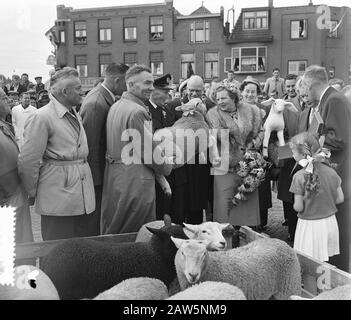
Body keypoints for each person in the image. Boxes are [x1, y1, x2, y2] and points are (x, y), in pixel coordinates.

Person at [18, 67, 95, 241]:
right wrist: (34, 192)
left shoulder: (73, 112)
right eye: (77, 88)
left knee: (79, 251)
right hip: (57, 198)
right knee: (56, 252)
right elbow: (28, 160)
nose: (81, 91)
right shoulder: (42, 117)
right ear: (64, 92)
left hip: (80, 196)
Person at [100, 65, 173, 234]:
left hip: (115, 177)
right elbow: (150, 153)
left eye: (152, 83)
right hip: (135, 181)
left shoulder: (117, 106)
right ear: (131, 85)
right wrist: (167, 167)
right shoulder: (138, 111)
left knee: (116, 231)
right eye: (147, 83)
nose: (152, 88)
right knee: (137, 234)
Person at [300, 65, 351, 272]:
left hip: (338, 180)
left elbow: (338, 140)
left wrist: (307, 144)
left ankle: (340, 283)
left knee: (338, 235)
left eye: (304, 87)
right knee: (331, 235)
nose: (303, 93)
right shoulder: (328, 100)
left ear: (310, 85)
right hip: (331, 179)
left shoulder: (335, 100)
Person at [206, 85, 264, 240]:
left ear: (234, 97)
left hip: (248, 165)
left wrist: (255, 143)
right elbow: (217, 137)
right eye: (217, 99)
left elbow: (261, 131)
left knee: (246, 204)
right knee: (223, 207)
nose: (220, 102)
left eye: (223, 98)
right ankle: (224, 243)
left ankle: (246, 241)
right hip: (225, 166)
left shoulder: (251, 110)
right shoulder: (212, 115)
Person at [80, 62, 129, 236]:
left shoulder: (103, 98)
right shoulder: (96, 103)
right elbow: (90, 146)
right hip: (97, 178)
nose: (127, 86)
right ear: (117, 80)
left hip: (103, 173)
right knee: (93, 225)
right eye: (127, 81)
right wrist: (96, 182)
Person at [289, 132, 344, 262]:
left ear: (303, 155)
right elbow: (340, 198)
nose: (292, 155)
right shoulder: (331, 172)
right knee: (326, 261)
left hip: (309, 227)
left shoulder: (299, 176)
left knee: (310, 265)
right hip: (329, 223)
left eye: (293, 152)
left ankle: (310, 283)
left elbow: (298, 207)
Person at [0, 88, 33, 244]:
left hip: (16, 197)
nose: (9, 101)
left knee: (21, 242)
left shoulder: (4, 126)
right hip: (7, 199)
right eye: (5, 98)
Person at [240, 76, 271, 231]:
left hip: (258, 155)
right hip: (240, 156)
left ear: (258, 94)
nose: (250, 95)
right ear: (242, 92)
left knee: (258, 189)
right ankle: (242, 222)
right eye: (247, 91)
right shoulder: (236, 109)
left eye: (253, 92)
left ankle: (258, 221)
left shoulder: (264, 110)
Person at [144, 73, 176, 220]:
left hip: (168, 165)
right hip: (153, 167)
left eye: (168, 92)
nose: (167, 95)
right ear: (153, 90)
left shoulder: (167, 110)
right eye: (165, 92)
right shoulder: (145, 110)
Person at [277, 74, 303, 241]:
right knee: (288, 192)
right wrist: (283, 155)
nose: (291, 89)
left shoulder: (306, 104)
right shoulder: (281, 106)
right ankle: (292, 230)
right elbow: (278, 132)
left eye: (293, 86)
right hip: (288, 153)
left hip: (305, 153)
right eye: (288, 86)